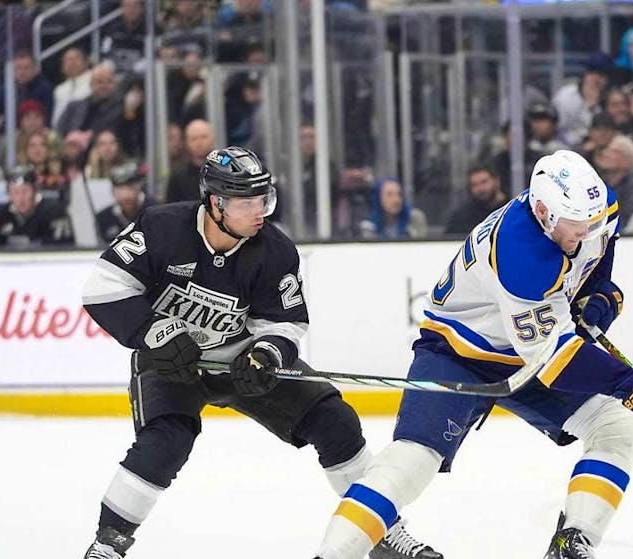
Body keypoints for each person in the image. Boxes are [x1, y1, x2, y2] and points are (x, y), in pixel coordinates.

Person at [311, 149, 633, 559]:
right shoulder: (520, 252)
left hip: (526, 351)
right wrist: (632, 383)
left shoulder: (595, 208)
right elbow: (554, 361)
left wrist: (599, 295)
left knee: (619, 430)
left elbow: (597, 262)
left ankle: (572, 543)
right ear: (545, 213)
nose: (584, 232)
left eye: (591, 222)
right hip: (461, 351)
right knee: (413, 461)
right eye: (574, 226)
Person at [79, 146, 441, 559]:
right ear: (215, 203)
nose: (260, 212)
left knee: (335, 421)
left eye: (263, 200)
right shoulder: (161, 228)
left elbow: (284, 323)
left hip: (239, 358)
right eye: (247, 202)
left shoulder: (275, 250)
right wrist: (154, 331)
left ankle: (382, 532)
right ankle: (108, 544)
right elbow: (103, 288)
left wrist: (267, 354)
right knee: (165, 443)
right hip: (169, 361)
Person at [0, 165, 75, 247]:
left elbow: (63, 251)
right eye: (15, 192)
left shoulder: (55, 212)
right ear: (9, 195)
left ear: (35, 191)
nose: (21, 198)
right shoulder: (1, 215)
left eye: (25, 191)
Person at [95, 161, 154, 243]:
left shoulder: (155, 211)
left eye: (130, 188)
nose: (125, 195)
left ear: (139, 188)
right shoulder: (104, 217)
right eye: (119, 189)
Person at [445, 164, 507, 235]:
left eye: (484, 182)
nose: (480, 189)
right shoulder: (461, 217)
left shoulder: (512, 210)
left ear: (496, 181)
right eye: (474, 185)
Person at [359, 178, 428, 239]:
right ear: (378, 199)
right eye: (389, 195)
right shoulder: (368, 225)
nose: (396, 200)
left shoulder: (415, 218)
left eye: (399, 194)